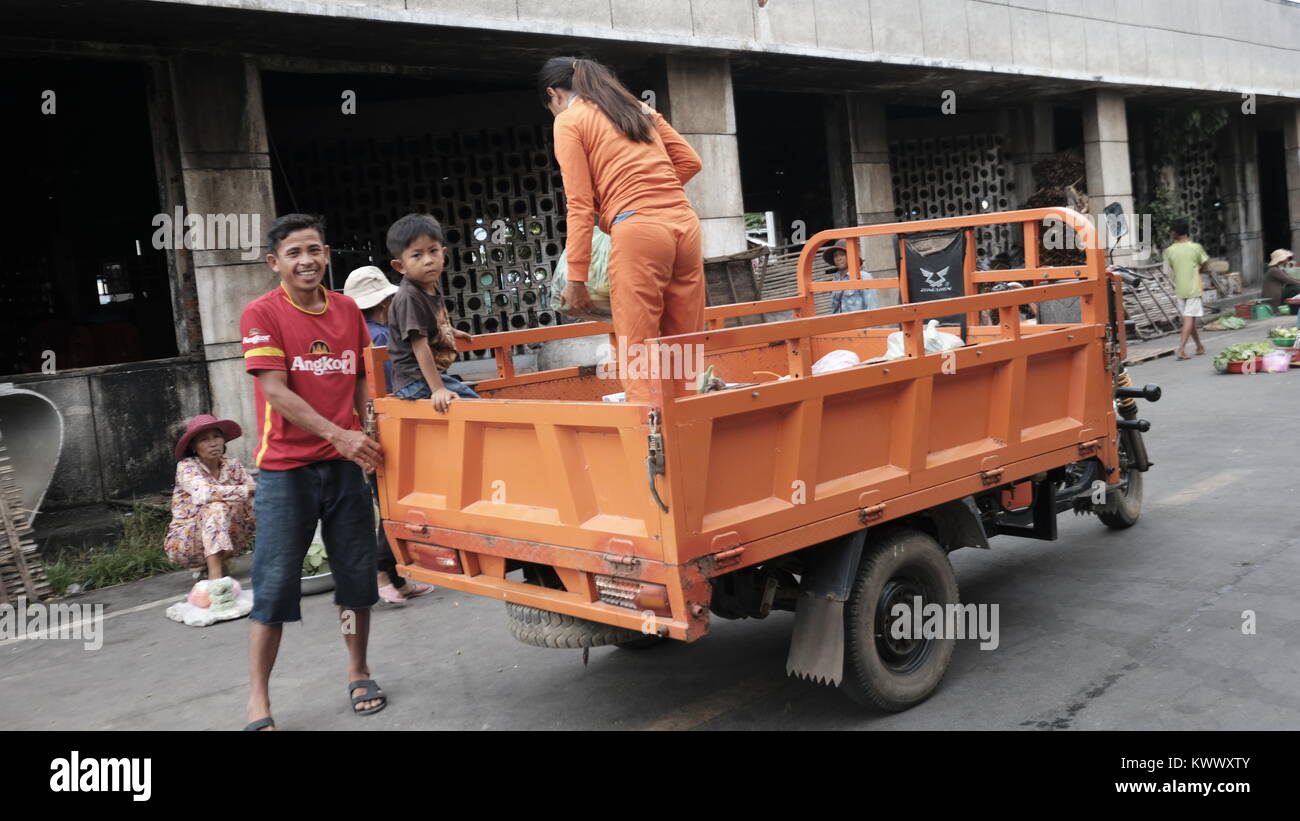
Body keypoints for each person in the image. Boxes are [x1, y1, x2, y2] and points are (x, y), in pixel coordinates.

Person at [239, 213, 387, 731]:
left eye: (315, 250)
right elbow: (275, 390)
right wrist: (340, 435)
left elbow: (364, 377)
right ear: (274, 262)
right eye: (295, 253)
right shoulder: (261, 314)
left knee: (354, 577)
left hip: (345, 466)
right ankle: (259, 698)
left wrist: (369, 427)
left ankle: (359, 669)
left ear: (327, 255)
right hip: (286, 470)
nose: (307, 261)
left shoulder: (348, 310)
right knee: (274, 584)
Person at [542, 56, 705, 403]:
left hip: (639, 233)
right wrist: (653, 194)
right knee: (683, 346)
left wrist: (577, 279)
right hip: (685, 226)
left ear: (553, 94)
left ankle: (650, 440)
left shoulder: (569, 121)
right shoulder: (637, 109)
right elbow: (691, 162)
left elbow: (580, 206)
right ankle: (689, 429)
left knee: (636, 348)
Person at [342, 265, 436, 605]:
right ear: (384, 303)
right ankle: (382, 571)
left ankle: (396, 577)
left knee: (387, 500)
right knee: (392, 504)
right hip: (385, 428)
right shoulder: (380, 336)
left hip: (363, 428)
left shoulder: (355, 335)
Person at [384, 214, 477, 413]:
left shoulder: (429, 285)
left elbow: (430, 321)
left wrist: (450, 330)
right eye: (417, 255)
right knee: (473, 405)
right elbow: (419, 345)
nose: (428, 261)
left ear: (443, 254)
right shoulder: (410, 296)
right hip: (414, 380)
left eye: (433, 251)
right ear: (400, 266)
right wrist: (438, 389)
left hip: (423, 377)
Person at [164, 414, 255, 582]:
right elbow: (204, 493)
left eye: (217, 436)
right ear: (193, 447)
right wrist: (245, 490)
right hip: (186, 543)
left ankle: (277, 559)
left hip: (230, 536)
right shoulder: (186, 467)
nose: (213, 443)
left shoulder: (232, 465)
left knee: (259, 502)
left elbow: (254, 492)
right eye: (204, 439)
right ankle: (216, 580)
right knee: (215, 506)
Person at [1163, 218, 1209, 360]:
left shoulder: (1169, 251)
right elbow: (1205, 265)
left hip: (1180, 288)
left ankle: (1199, 346)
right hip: (1194, 288)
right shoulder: (1196, 248)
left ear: (1175, 232)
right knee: (1189, 319)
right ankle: (1181, 350)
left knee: (1189, 319)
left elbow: (1170, 269)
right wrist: (1198, 270)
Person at [824, 239, 878, 314]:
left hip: (860, 324)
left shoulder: (863, 277)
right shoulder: (835, 279)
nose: (838, 258)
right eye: (835, 256)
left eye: (842, 254)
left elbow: (872, 307)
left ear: (850, 256)